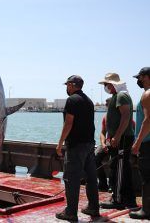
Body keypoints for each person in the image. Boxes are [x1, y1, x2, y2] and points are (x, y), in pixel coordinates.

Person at [55, 75, 99, 222]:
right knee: (91, 178)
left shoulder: (72, 100)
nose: (67, 88)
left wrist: (60, 143)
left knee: (71, 179)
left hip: (76, 146)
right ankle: (93, 207)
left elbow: (68, 123)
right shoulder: (89, 101)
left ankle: (70, 212)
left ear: (73, 85)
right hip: (89, 144)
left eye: (68, 85)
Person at [98, 73, 137, 209]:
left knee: (120, 169)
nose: (106, 87)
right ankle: (124, 198)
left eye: (107, 84)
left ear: (113, 84)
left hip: (123, 139)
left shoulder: (121, 95)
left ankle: (118, 200)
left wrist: (117, 136)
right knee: (118, 168)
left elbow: (126, 116)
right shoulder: (116, 96)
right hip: (118, 139)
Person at [129, 67, 150, 219]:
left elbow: (147, 121)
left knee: (147, 178)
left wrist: (137, 143)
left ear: (146, 77)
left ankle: (146, 210)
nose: (139, 80)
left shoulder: (148, 94)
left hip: (147, 144)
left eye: (140, 77)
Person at [94, 97, 112, 192]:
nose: (106, 105)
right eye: (106, 104)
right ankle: (103, 183)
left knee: (113, 161)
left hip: (118, 143)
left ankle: (112, 185)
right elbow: (102, 133)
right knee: (95, 157)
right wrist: (103, 144)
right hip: (108, 142)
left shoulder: (124, 116)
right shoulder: (106, 117)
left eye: (108, 103)